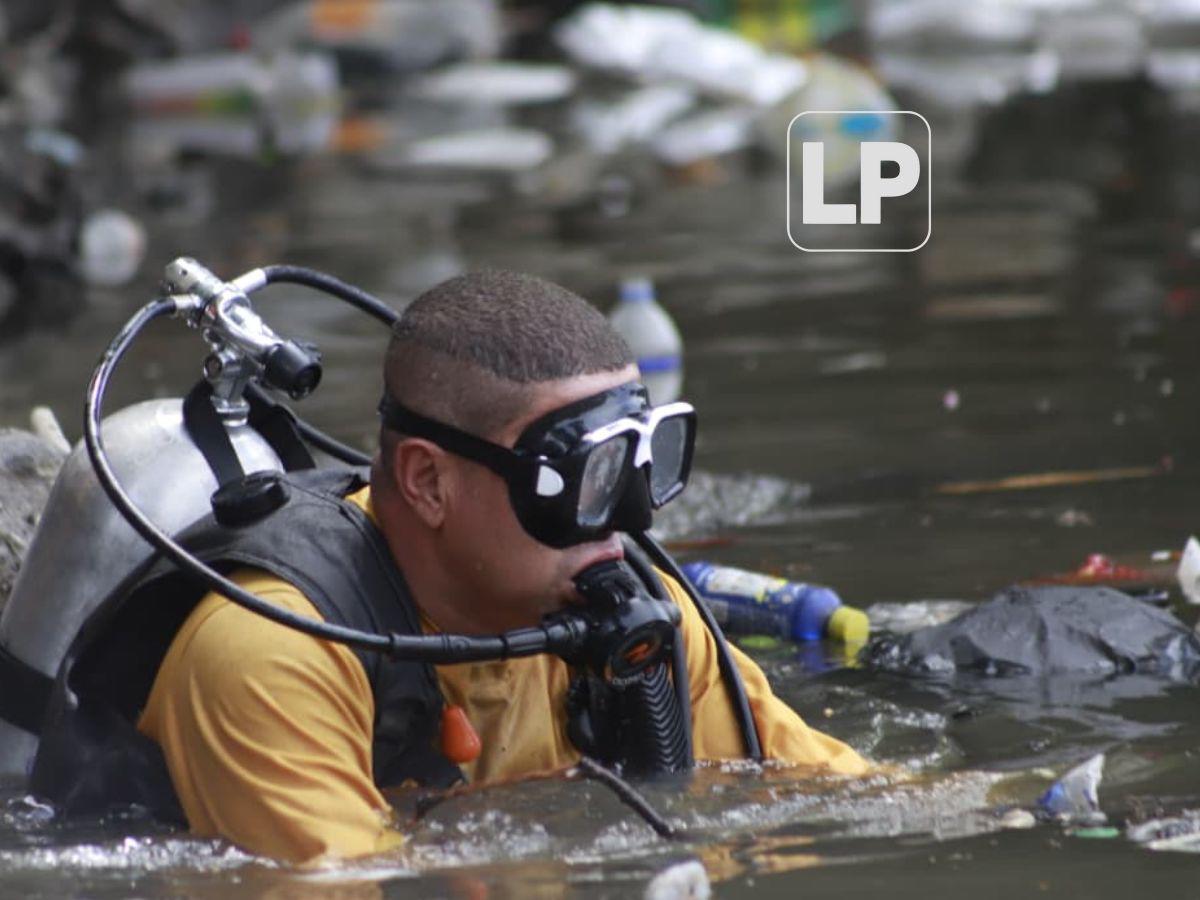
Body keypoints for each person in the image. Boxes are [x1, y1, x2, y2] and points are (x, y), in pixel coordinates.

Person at [35, 270, 867, 864]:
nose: (628, 521)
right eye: (584, 476)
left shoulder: (631, 619)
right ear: (428, 481)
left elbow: (839, 804)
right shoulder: (275, 650)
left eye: (641, 466)